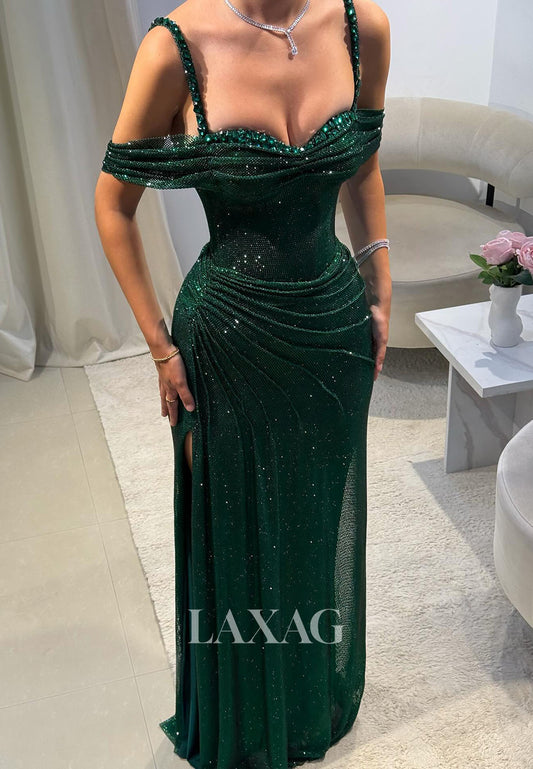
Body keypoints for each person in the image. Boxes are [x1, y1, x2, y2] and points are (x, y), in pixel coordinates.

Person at [94, 0, 391, 766]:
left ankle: (300, 693)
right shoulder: (174, 48)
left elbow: (362, 163)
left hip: (332, 326)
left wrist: (379, 285)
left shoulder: (362, 28)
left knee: (311, 519)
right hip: (226, 341)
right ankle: (246, 717)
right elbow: (112, 203)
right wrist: (159, 347)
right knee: (235, 537)